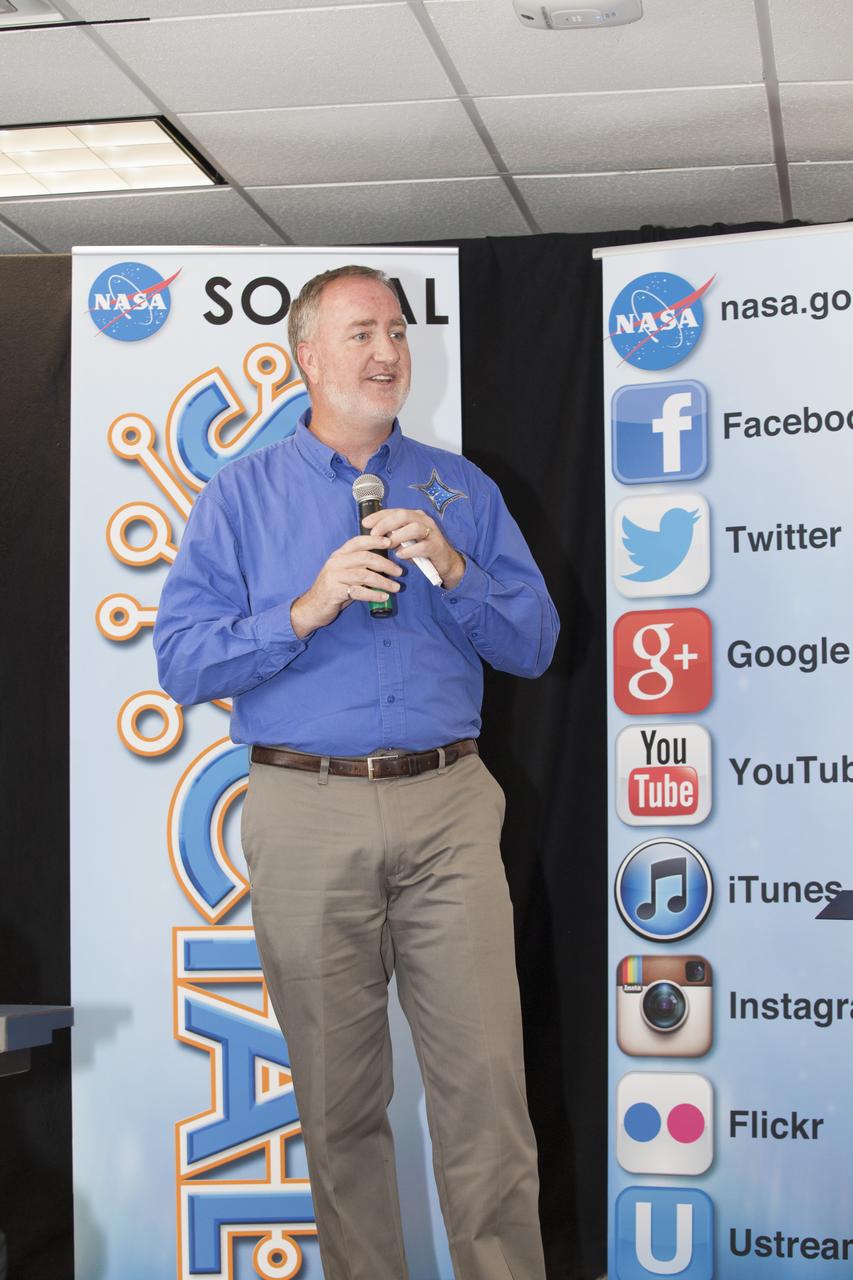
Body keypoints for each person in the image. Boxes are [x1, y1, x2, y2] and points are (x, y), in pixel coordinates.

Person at [154, 264, 559, 1280]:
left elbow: (536, 642)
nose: (386, 352)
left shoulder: (457, 488)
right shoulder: (241, 495)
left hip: (448, 806)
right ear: (307, 357)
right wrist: (304, 605)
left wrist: (456, 568)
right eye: (360, 332)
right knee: (338, 1104)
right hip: (304, 807)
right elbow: (183, 659)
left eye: (396, 330)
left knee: (485, 1094)